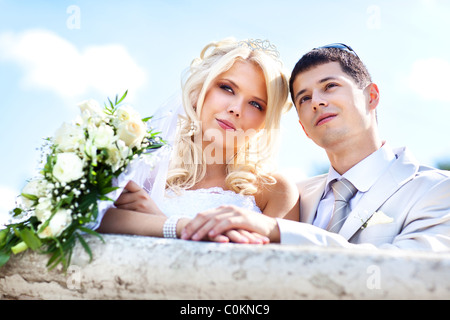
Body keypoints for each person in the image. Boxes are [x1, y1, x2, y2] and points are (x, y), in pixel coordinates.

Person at [181, 43, 450, 251]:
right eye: (304, 97)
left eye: (330, 86)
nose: (317, 102)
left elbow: (408, 271)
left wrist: (279, 230)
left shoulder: (437, 190)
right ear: (303, 128)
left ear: (371, 96)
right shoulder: (296, 196)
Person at [97, 38, 299, 243]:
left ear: (265, 122)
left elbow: (268, 270)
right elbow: (93, 220)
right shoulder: (146, 168)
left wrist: (161, 222)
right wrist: (175, 226)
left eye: (256, 104)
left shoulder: (274, 190)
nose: (236, 109)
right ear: (198, 92)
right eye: (227, 88)